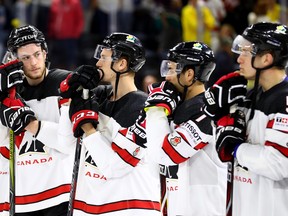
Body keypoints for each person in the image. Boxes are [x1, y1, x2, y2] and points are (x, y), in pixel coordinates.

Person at [58, 32, 161, 215]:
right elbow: (65, 144)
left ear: (121, 64)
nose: (97, 63)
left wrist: (88, 128)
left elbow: (114, 167)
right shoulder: (97, 96)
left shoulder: (143, 107)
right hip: (92, 206)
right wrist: (70, 99)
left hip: (127, 209)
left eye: (104, 58)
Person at [203, 22, 288, 216]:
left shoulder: (284, 100)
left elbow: (277, 164)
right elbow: (224, 150)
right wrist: (218, 116)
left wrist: (236, 148)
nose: (239, 59)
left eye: (246, 52)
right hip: (246, 205)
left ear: (266, 58)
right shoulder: (249, 97)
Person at [144, 41, 227, 216]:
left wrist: (156, 109)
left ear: (189, 74)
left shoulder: (208, 110)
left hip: (205, 210)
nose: (166, 77)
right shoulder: (177, 107)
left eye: (172, 70)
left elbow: (165, 154)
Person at [0, 25, 75, 215]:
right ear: (14, 60)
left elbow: (69, 143)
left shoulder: (65, 83)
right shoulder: (9, 92)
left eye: (37, 54)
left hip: (60, 197)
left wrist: (30, 123)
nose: (33, 62)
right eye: (25, 58)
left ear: (45, 52)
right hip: (21, 200)